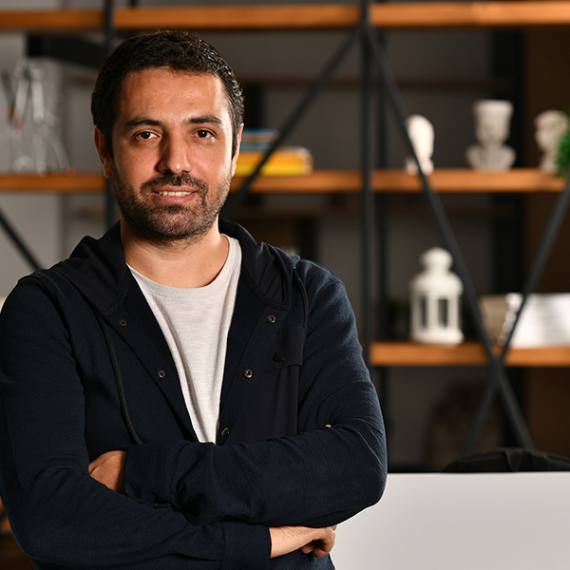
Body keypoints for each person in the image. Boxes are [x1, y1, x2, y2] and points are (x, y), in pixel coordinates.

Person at [0, 31, 387, 569]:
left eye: (202, 133)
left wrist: (140, 473)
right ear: (105, 151)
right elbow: (53, 520)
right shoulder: (46, 311)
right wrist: (259, 540)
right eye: (146, 134)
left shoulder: (309, 294)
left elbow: (356, 468)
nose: (175, 162)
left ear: (235, 147)